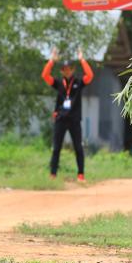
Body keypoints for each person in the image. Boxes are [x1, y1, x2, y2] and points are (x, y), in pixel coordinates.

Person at [41, 47, 94, 181]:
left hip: (74, 120)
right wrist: (52, 60)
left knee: (78, 148)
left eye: (69, 68)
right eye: (65, 69)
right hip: (61, 119)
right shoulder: (59, 83)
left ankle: (81, 175)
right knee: (56, 148)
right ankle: (53, 174)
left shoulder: (78, 83)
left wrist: (82, 59)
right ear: (62, 71)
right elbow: (45, 75)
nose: (67, 71)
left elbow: (90, 76)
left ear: (73, 70)